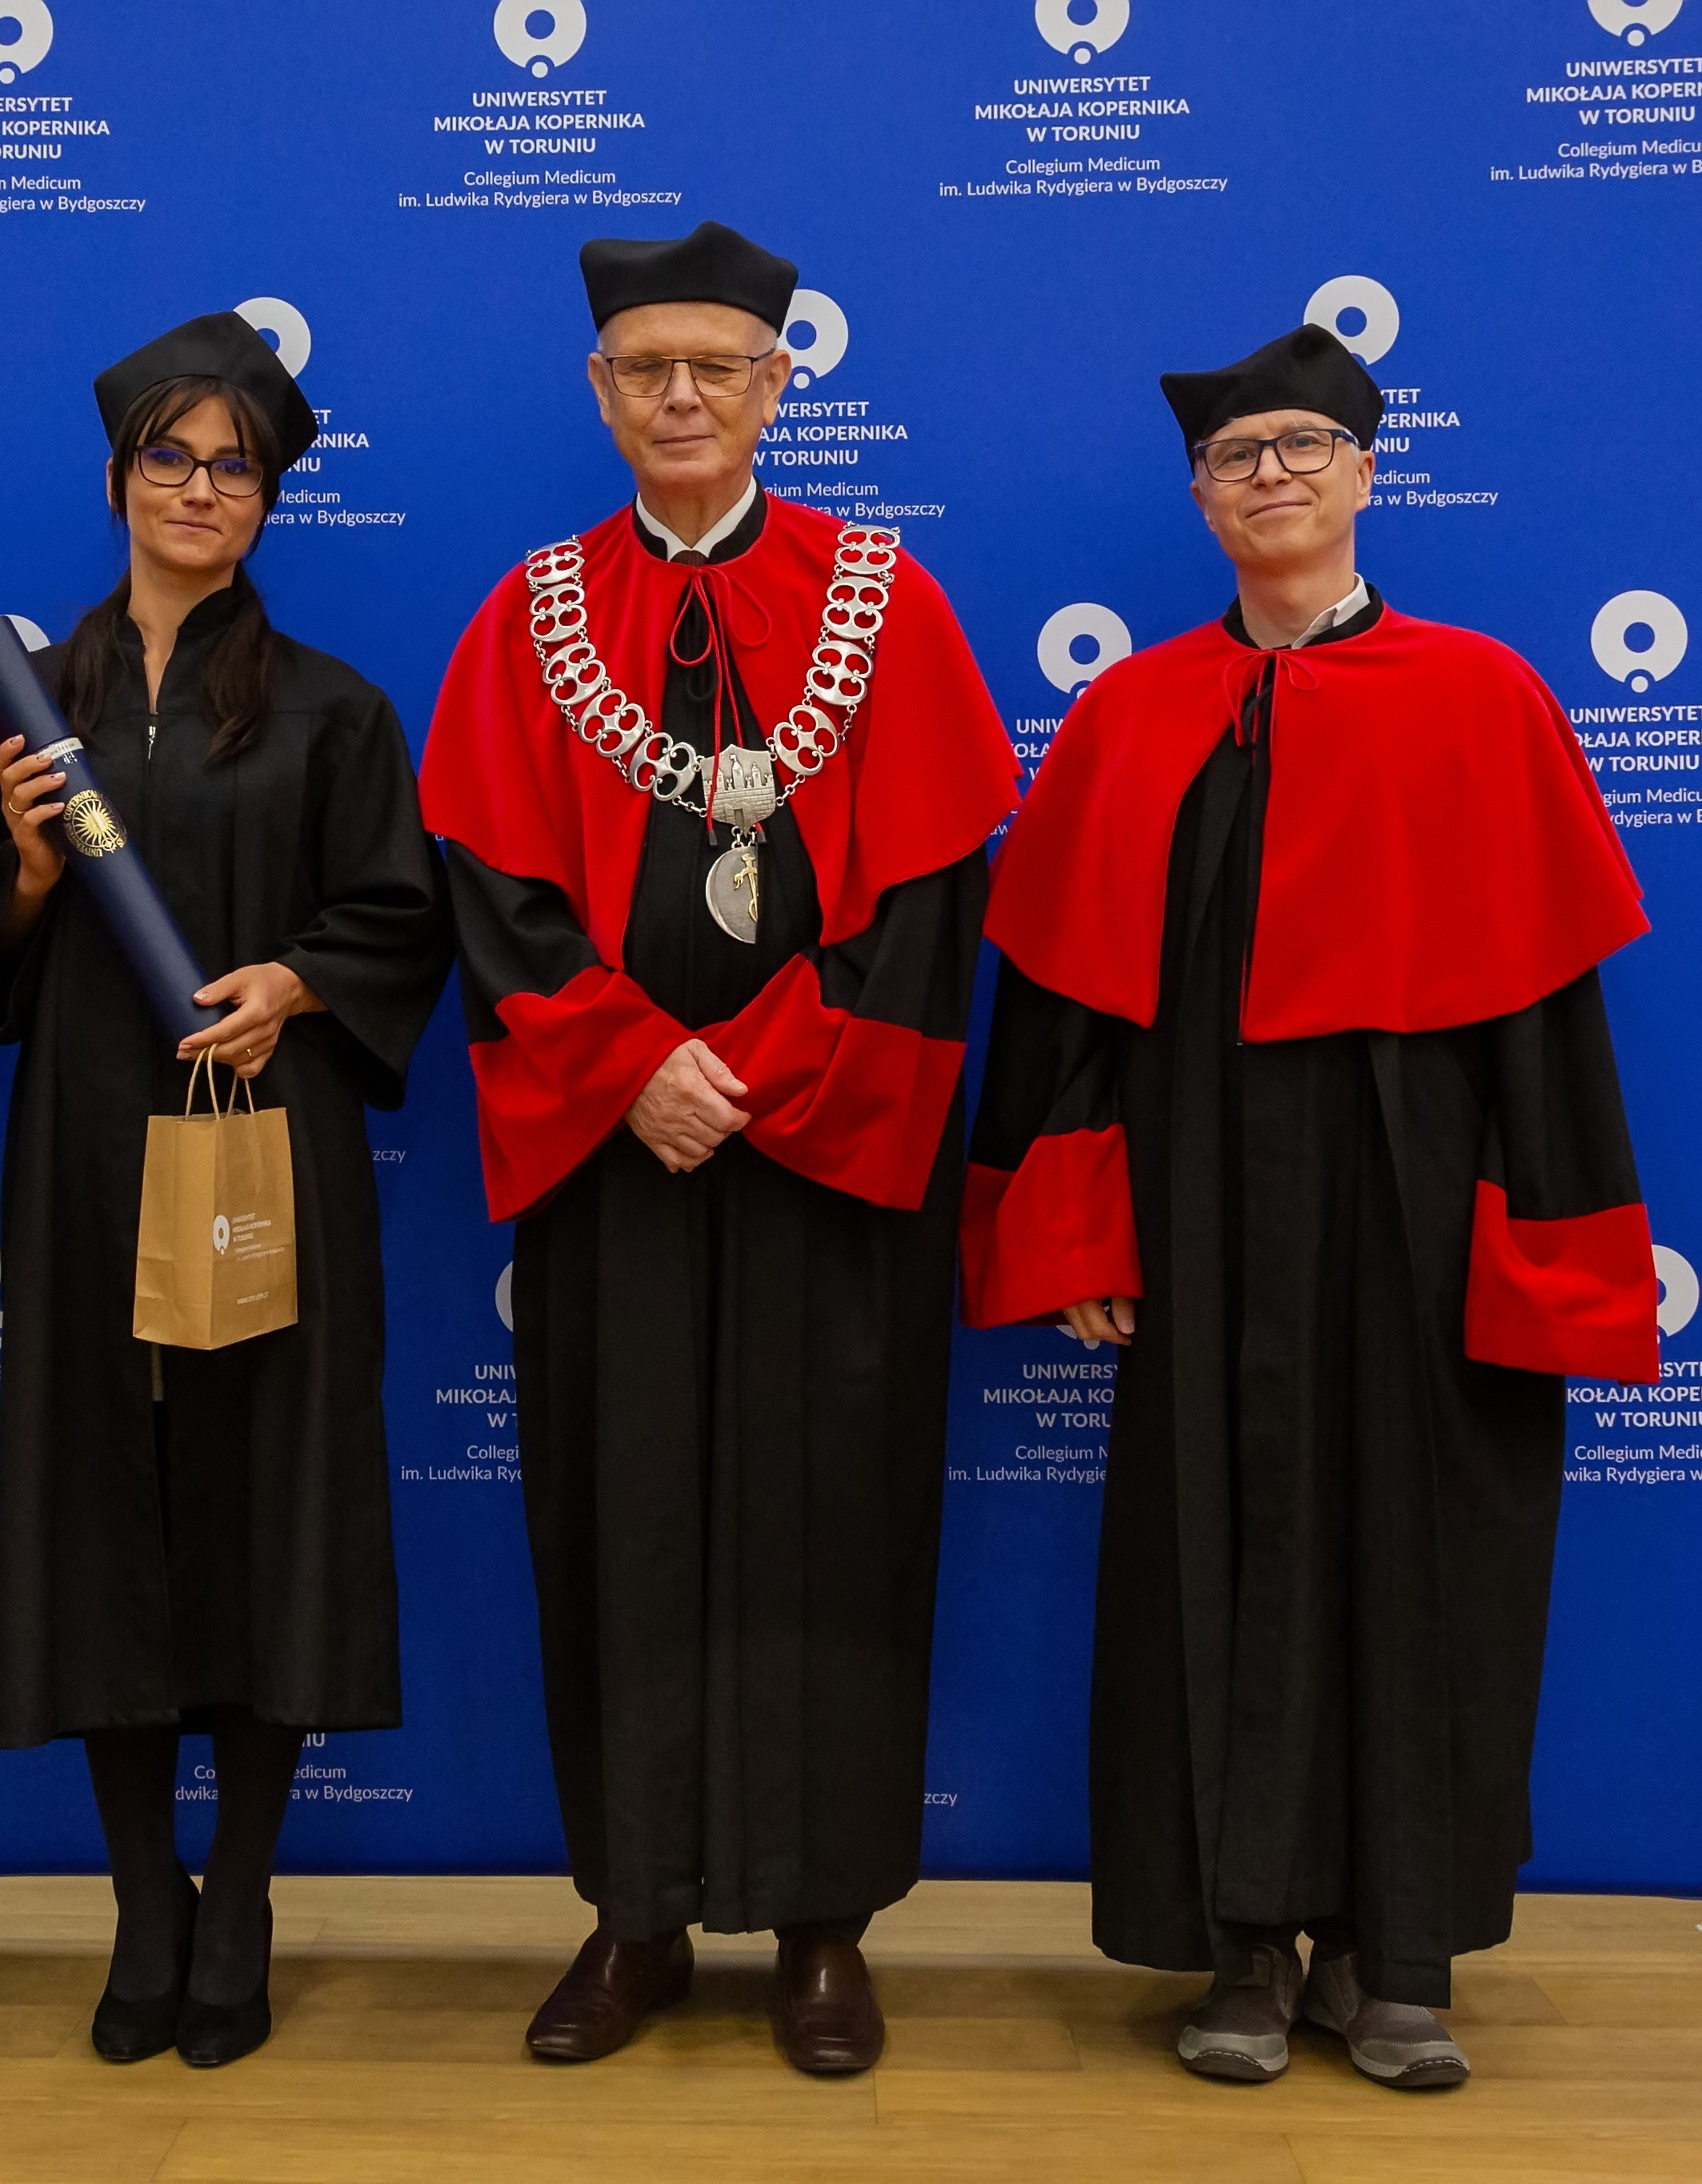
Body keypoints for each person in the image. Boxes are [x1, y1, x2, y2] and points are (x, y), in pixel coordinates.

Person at [961, 324, 1659, 2091]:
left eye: (1300, 445)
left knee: (1424, 1555)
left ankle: (1396, 1954)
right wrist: (1075, 1230)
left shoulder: (1483, 696)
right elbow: (1061, 1015)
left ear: (1365, 469)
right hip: (1194, 1199)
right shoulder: (1130, 717)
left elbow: (1546, 1019)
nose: (1267, 475)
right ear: (1198, 499)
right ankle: (1241, 1946)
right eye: (1233, 456)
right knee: (1211, 1551)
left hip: (1415, 1201)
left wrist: (1539, 1254)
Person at [420, 222, 1017, 2077]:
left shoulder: (882, 599)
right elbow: (493, 893)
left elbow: (932, 893)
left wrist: (756, 1070)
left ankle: (826, 1922)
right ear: (599, 392)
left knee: (835, 1519)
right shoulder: (531, 613)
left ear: (779, 382)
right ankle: (636, 1910)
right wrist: (631, 1070)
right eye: (644, 368)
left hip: (827, 1153)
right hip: (618, 1159)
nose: (680, 394)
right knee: (619, 1513)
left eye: (717, 366)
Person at [0, 311, 451, 2070]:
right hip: (85, 1149)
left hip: (266, 1148)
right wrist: (26, 869)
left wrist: (298, 982)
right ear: (120, 477)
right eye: (171, 458)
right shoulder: (19, 705)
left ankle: (245, 1893)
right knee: (101, 1510)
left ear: (268, 499)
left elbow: (398, 916)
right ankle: (144, 1897)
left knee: (268, 1502)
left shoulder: (335, 709)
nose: (201, 489)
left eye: (236, 468)